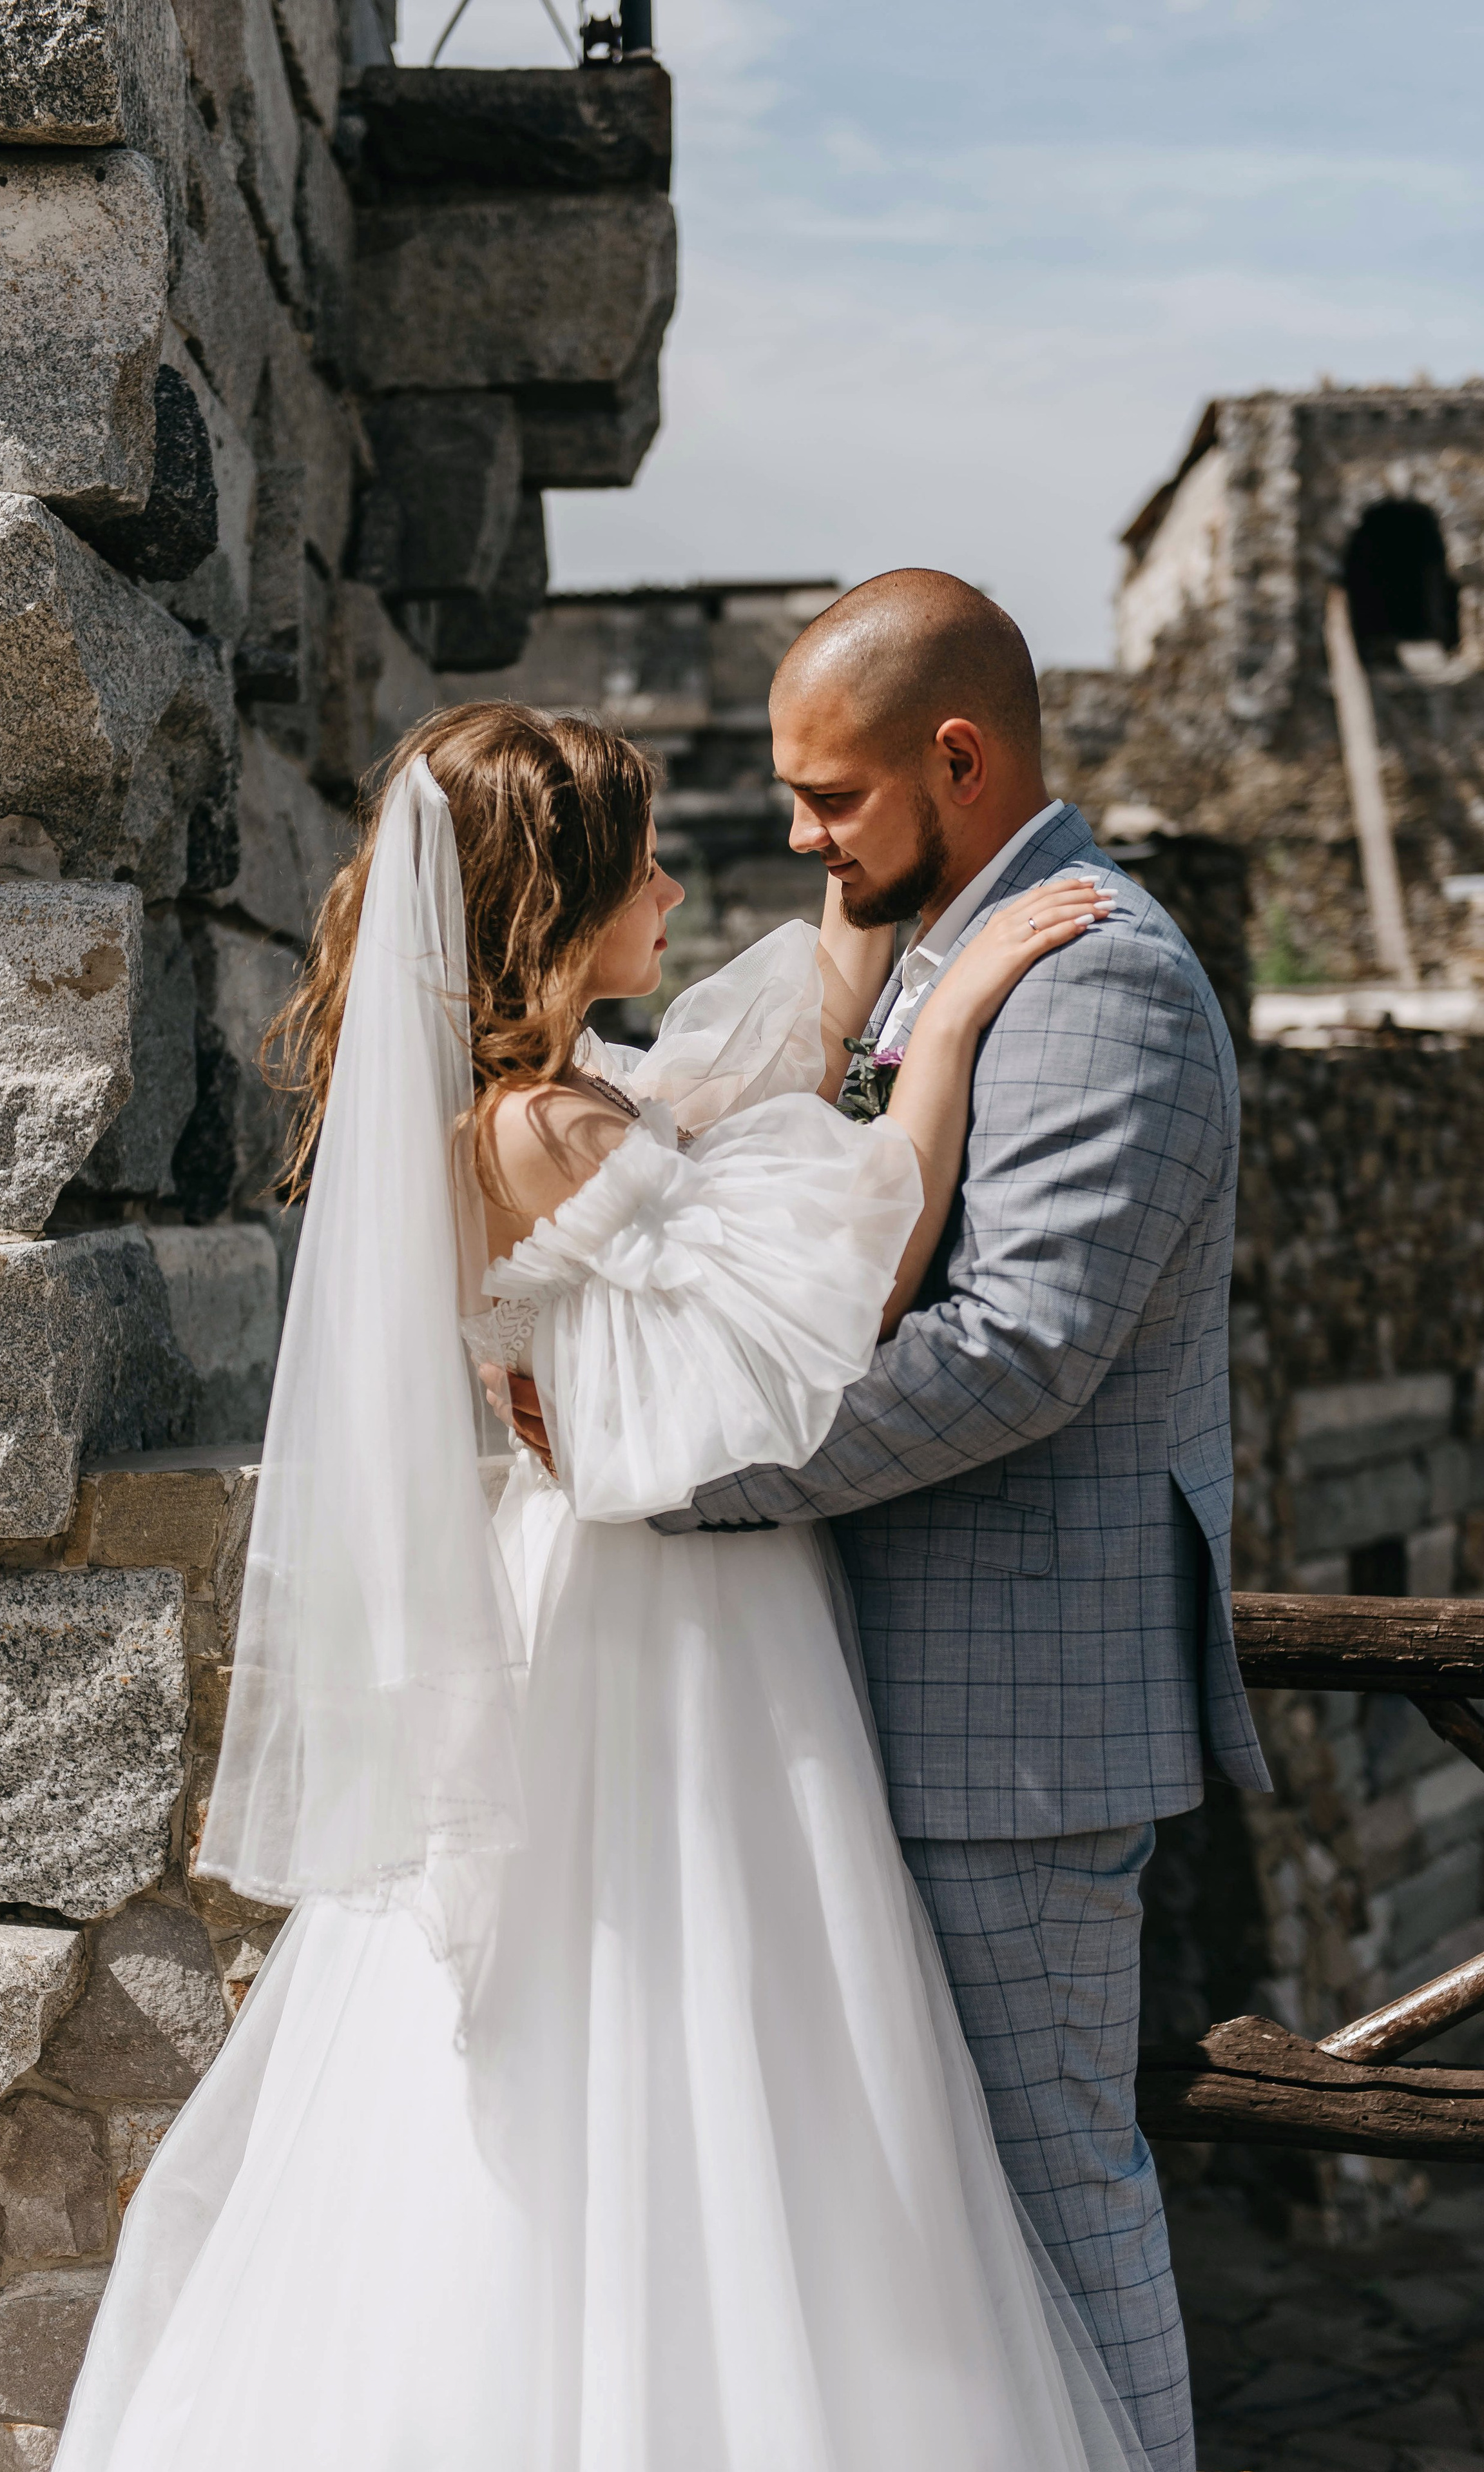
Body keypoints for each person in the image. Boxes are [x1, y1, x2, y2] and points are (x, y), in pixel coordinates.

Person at [53, 697, 1147, 2472]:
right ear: (554, 908)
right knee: (700, 2008)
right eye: (637, 861)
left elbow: (734, 1086)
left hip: (590, 1589)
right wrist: (944, 1032)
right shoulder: (547, 1127)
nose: (671, 881)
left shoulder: (552, 1101)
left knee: (660, 2030)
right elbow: (854, 1267)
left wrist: (873, 946)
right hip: (673, 1626)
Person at [542, 569, 1266, 2472]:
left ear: (961, 759)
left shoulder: (1101, 974)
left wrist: (665, 1461)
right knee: (908, 2252)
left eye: (831, 797)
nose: (793, 836)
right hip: (870, 1707)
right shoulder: (924, 949)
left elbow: (1018, 1347)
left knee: (1050, 2208)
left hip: (1010, 1732)